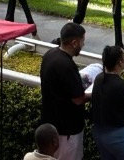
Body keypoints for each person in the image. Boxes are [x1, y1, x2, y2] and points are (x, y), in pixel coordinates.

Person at [39, 23, 87, 160]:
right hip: (67, 133)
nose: (83, 44)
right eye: (82, 41)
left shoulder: (49, 54)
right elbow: (78, 99)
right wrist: (93, 94)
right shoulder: (66, 65)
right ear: (74, 43)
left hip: (52, 126)